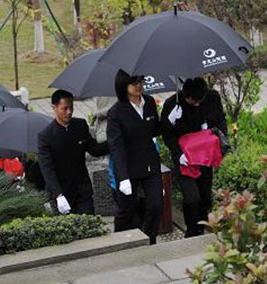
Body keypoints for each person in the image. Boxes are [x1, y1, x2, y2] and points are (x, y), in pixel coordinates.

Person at [161, 78, 227, 238]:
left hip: (205, 155)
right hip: (185, 157)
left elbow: (221, 120)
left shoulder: (212, 97)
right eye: (193, 100)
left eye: (200, 100)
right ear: (185, 95)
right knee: (192, 197)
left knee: (204, 196)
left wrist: (219, 139)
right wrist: (171, 122)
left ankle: (202, 228)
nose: (197, 104)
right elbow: (166, 134)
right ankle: (191, 231)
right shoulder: (172, 104)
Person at [107, 71, 163, 245]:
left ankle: (149, 239)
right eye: (134, 83)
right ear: (124, 86)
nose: (139, 86)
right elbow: (116, 147)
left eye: (141, 81)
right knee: (126, 210)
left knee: (156, 205)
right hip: (128, 167)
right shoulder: (116, 112)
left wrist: (170, 121)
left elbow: (154, 130)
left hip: (149, 163)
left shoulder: (150, 103)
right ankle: (121, 242)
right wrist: (122, 178)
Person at [37, 89, 109, 215]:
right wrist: (58, 195)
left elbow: (94, 149)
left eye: (71, 107)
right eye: (64, 108)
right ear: (54, 107)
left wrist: (115, 141)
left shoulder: (80, 125)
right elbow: (47, 169)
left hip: (82, 189)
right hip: (61, 192)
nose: (69, 112)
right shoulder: (46, 136)